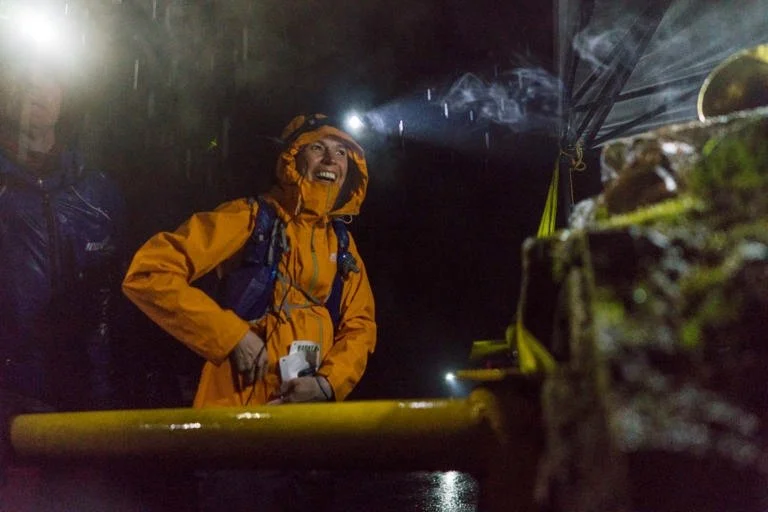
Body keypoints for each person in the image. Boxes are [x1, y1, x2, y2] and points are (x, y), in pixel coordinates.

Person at [122, 113, 376, 408]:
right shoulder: (251, 217)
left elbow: (361, 325)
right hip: (240, 399)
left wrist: (327, 383)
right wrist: (230, 336)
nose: (332, 159)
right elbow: (149, 272)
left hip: (309, 412)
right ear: (292, 158)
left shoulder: (342, 243)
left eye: (342, 152)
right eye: (318, 148)